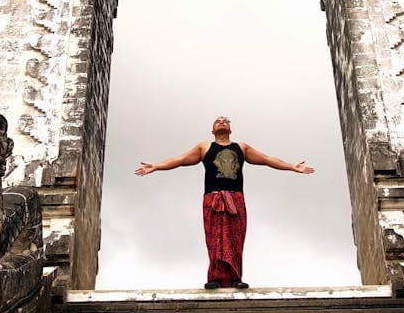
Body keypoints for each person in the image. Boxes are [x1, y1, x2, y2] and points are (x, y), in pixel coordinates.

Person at [135, 116, 315, 289]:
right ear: (212, 130)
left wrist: (291, 166)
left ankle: (236, 278)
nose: (221, 122)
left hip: (235, 199)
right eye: (217, 121)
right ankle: (214, 278)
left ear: (231, 129)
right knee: (214, 239)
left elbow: (267, 159)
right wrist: (157, 166)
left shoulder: (241, 147)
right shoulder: (204, 147)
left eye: (225, 121)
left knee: (236, 238)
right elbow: (180, 160)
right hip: (212, 199)